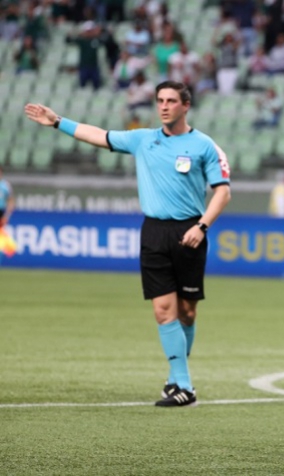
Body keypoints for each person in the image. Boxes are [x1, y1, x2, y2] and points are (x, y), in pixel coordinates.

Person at [23, 81, 232, 407]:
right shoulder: (142, 139)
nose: (163, 106)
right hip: (152, 232)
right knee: (164, 310)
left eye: (171, 101)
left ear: (185, 105)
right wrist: (57, 121)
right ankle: (185, 388)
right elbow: (99, 135)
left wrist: (202, 226)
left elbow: (223, 191)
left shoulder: (204, 145)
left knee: (187, 312)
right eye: (160, 100)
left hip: (189, 232)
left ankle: (176, 377)